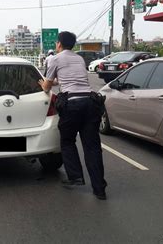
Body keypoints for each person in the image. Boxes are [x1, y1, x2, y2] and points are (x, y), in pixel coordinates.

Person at [38, 31, 107, 200]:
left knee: (67, 141)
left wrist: (43, 83)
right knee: (92, 147)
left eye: (56, 43)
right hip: (90, 103)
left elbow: (47, 87)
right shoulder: (79, 59)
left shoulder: (55, 59)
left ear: (59, 44)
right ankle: (99, 189)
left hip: (72, 105)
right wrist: (55, 81)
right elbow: (70, 79)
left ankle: (75, 176)